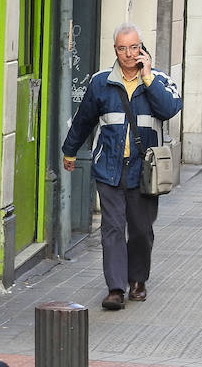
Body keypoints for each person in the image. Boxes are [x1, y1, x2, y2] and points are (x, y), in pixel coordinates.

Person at [62, 23, 182, 310]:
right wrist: (69, 151)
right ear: (114, 49)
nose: (128, 54)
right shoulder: (100, 82)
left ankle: (138, 280)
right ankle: (115, 287)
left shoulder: (161, 80)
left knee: (141, 229)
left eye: (133, 47)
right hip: (110, 167)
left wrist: (148, 77)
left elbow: (169, 110)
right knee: (112, 227)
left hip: (145, 170)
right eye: (121, 48)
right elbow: (84, 120)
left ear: (142, 47)